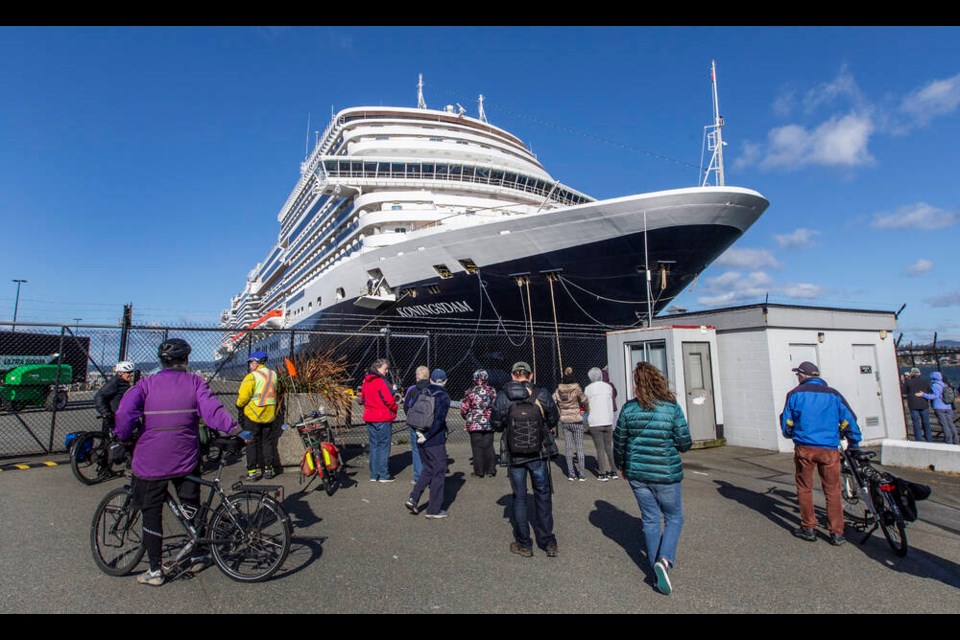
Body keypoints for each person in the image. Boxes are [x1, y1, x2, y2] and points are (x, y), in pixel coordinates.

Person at [114, 338, 251, 587]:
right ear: (186, 361)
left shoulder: (145, 385)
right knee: (191, 505)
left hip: (151, 460)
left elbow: (124, 414)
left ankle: (155, 570)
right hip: (186, 456)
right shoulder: (196, 382)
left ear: (161, 361)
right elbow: (213, 412)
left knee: (151, 511)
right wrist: (237, 430)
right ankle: (198, 554)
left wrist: (123, 437)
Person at [614, 361, 691, 596]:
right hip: (665, 472)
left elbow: (619, 441)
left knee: (649, 519)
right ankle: (664, 561)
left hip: (637, 472)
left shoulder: (628, 409)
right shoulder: (671, 408)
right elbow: (684, 442)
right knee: (674, 517)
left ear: (636, 384)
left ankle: (655, 574)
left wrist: (622, 465)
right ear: (659, 380)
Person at [779, 361, 861, 547]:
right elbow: (849, 419)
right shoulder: (833, 394)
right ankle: (837, 532)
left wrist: (790, 434)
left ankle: (808, 527)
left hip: (804, 448)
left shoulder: (794, 394)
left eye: (798, 375)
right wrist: (854, 442)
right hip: (829, 449)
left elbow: (787, 422)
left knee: (804, 487)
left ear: (803, 375)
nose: (797, 378)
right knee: (832, 490)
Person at [490, 361, 560, 558]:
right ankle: (548, 542)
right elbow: (554, 418)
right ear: (530, 376)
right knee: (543, 495)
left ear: (512, 376)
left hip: (515, 453)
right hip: (538, 452)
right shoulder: (542, 393)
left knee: (519, 497)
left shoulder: (503, 396)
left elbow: (495, 423)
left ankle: (524, 544)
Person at [405, 369, 452, 518]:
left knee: (428, 469)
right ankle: (434, 509)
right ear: (445, 381)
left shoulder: (422, 391)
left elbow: (411, 410)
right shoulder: (443, 396)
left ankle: (414, 497)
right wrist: (428, 435)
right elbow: (438, 421)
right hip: (434, 439)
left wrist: (418, 432)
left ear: (430, 379)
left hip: (418, 433)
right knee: (439, 471)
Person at [236, 351, 280, 480]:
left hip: (253, 414)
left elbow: (243, 397)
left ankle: (252, 472)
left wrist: (238, 405)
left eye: (250, 362)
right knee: (267, 442)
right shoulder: (273, 375)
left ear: (256, 362)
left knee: (251, 442)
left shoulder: (252, 376)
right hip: (269, 414)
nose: (250, 366)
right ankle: (268, 470)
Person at [361, 357, 398, 482]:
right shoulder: (381, 382)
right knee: (383, 446)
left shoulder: (366, 381)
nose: (387, 371)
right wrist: (395, 406)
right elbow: (388, 399)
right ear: (378, 368)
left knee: (374, 445)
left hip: (370, 416)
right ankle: (383, 474)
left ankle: (374, 474)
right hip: (382, 417)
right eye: (385, 369)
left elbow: (363, 399)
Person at [553, 366, 588, 481]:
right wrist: (586, 410)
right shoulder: (577, 389)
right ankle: (582, 474)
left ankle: (571, 474)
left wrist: (559, 412)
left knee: (568, 447)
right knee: (579, 447)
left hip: (565, 421)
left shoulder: (558, 391)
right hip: (577, 420)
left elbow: (553, 401)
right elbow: (584, 400)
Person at [460, 368, 497, 478]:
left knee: (477, 447)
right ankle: (491, 470)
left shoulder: (470, 391)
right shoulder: (492, 391)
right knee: (489, 446)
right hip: (489, 422)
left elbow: (464, 408)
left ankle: (479, 471)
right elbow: (496, 405)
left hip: (474, 423)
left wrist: (466, 417)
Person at [584, 366, 617, 481]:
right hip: (608, 419)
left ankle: (602, 473)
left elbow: (586, 403)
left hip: (595, 421)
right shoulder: (608, 387)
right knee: (609, 446)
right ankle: (614, 470)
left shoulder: (588, 389)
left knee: (600, 449)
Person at [403, 365, 430, 484]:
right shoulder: (432, 389)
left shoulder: (412, 389)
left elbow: (406, 406)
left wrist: (410, 417)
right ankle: (429, 476)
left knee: (416, 449)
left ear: (417, 377)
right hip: (428, 423)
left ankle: (418, 476)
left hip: (414, 422)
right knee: (429, 449)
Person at [94, 360, 136, 431]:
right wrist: (106, 413)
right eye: (128, 372)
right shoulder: (115, 382)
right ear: (120, 373)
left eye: (131, 372)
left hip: (123, 415)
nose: (131, 374)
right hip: (115, 416)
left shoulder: (124, 382)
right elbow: (99, 396)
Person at [917, 371, 957, 445]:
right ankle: (955, 439)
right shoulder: (945, 384)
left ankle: (949, 440)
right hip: (948, 406)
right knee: (951, 424)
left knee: (944, 424)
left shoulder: (935, 385)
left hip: (939, 407)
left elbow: (934, 396)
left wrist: (924, 394)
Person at [902, 367, 932, 442]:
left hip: (913, 404)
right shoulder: (925, 381)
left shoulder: (908, 382)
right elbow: (929, 391)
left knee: (916, 423)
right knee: (926, 423)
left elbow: (904, 392)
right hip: (924, 404)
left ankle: (919, 440)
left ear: (911, 374)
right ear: (919, 374)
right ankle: (929, 439)